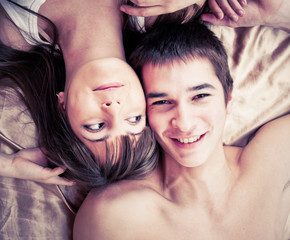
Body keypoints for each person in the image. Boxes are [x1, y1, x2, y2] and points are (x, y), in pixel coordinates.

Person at [73, 9, 290, 240]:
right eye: (163, 102)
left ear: (228, 99)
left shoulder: (269, 160)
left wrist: (277, 15)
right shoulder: (111, 215)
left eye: (200, 96)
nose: (184, 123)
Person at [0, 0, 246, 186]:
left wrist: (9, 165)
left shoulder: (11, 31)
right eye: (133, 119)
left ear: (62, 107)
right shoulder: (165, 9)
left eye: (96, 126)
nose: (114, 107)